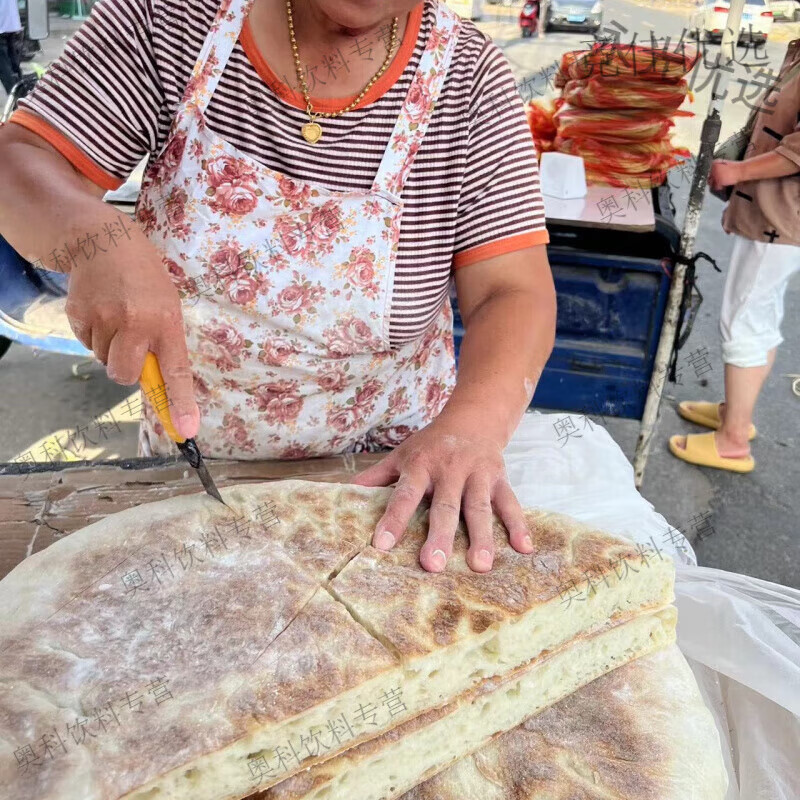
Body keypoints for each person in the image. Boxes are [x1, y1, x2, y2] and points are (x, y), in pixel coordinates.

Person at [0, 0, 556, 572]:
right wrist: (94, 238)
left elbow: (512, 292)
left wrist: (471, 427)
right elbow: (20, 160)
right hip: (195, 472)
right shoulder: (168, 19)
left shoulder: (468, 75)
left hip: (391, 483)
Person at [669, 39, 800, 473]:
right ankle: (735, 414)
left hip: (780, 216)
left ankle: (732, 442)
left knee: (743, 321)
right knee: (759, 317)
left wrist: (740, 171)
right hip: (769, 210)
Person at [0, 0, 22, 94]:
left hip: (2, 26)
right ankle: (22, 91)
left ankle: (15, 95)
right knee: (14, 64)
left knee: (4, 67)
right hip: (11, 25)